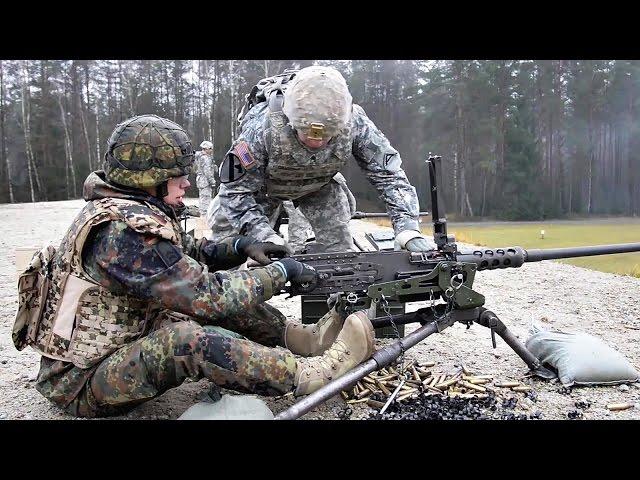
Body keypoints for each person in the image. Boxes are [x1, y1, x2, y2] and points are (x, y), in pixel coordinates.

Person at [11, 114, 375, 418]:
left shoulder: (126, 209)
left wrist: (238, 246)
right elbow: (207, 297)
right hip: (80, 383)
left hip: (106, 356)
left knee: (204, 299)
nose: (187, 181)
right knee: (188, 339)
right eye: (177, 174)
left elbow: (190, 251)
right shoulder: (123, 234)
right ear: (150, 180)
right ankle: (310, 374)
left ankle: (300, 339)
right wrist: (282, 272)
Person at [207, 65, 436, 253]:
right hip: (259, 192)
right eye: (306, 133)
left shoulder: (355, 123)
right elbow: (235, 192)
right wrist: (263, 235)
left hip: (318, 186)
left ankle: (342, 306)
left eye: (327, 135)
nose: (316, 142)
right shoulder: (262, 129)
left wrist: (407, 228)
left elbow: (389, 176)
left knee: (341, 257)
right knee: (225, 258)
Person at [194, 140, 217, 218]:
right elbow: (207, 172)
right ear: (206, 149)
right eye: (210, 148)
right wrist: (212, 181)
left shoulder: (200, 156)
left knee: (203, 199)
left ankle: (203, 216)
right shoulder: (205, 158)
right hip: (205, 181)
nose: (211, 150)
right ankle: (204, 219)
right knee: (206, 200)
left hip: (201, 180)